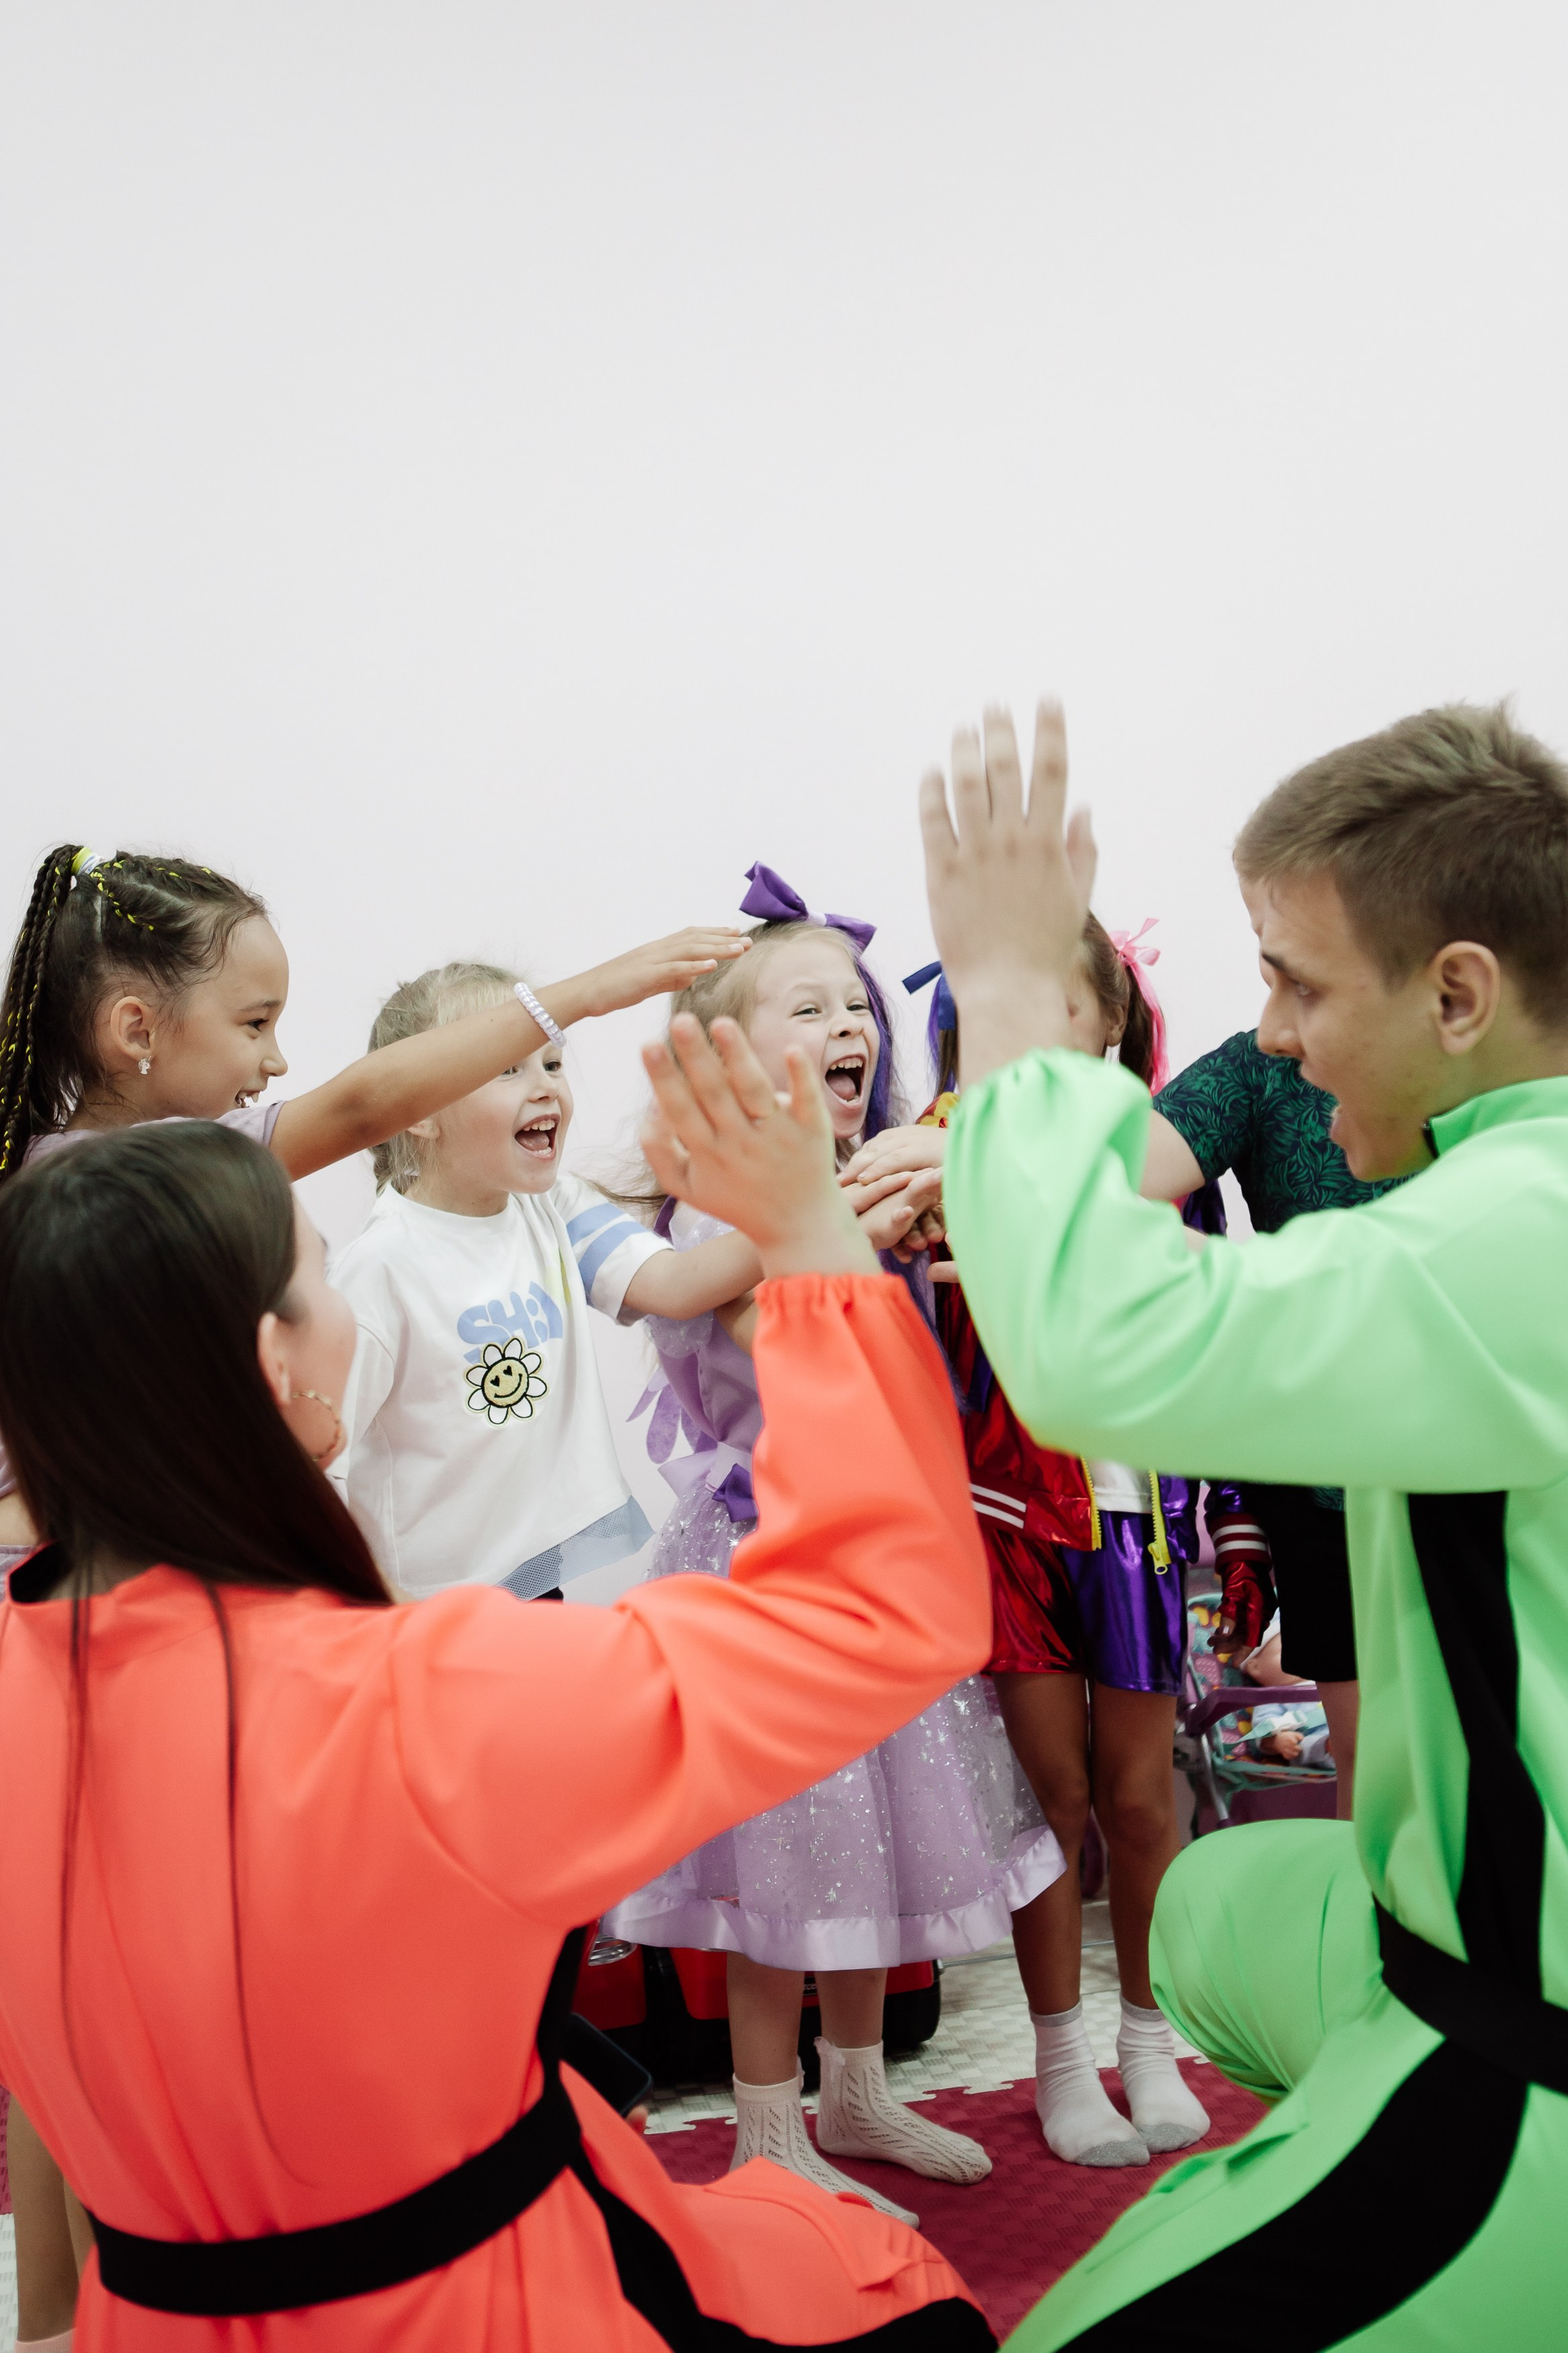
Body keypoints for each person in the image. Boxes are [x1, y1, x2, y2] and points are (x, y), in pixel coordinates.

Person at [0, 1027, 999, 2351]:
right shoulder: (422, 1704)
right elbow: (886, 1611)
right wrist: (813, 1242)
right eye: (317, 1273)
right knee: (886, 2283)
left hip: (157, 2315)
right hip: (488, 2306)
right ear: (276, 1363)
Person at [0, 842, 744, 2340]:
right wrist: (580, 992)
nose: (282, 1062)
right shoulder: (103, 1189)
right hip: (88, 1616)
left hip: (103, 1617)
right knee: (94, 2027)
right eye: (258, 1024)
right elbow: (356, 1107)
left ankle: (81, 2300)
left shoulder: (117, 1176)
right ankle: (80, 2294)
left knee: (80, 2011)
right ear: (138, 1033)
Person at [924, 696, 1568, 2348]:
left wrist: (1003, 992)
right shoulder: (1493, 1195)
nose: (1268, 1035)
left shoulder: (1513, 1226)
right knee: (1207, 1916)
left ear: (1459, 995)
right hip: (1442, 1933)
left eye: (1294, 980)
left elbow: (1084, 1351)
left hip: (1522, 2041)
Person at [604, 867, 1062, 2225]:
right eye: (805, 1005)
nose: (847, 1023)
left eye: (850, 1004)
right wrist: (843, 1238)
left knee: (879, 1840)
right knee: (786, 1857)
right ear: (727, 1055)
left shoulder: (861, 1190)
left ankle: (856, 2087)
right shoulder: (713, 1217)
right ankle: (764, 2123)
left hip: (871, 1568)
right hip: (762, 1574)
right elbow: (769, 1355)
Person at [851, 920, 1266, 2171]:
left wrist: (1237, 1529)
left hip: (1132, 1521)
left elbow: (1217, 1344)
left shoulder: (1167, 1167)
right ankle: (1058, 2058)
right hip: (1003, 1525)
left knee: (1143, 1801)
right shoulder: (927, 1162)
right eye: (997, 1018)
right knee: (1053, 1805)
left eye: (1058, 1011)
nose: (1030, 1040)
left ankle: (1148, 2042)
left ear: (1109, 1025)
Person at [332, 960, 765, 1601]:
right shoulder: (381, 1268)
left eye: (553, 1064)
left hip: (533, 1581)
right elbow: (312, 1460)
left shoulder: (555, 1204)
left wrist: (810, 1219)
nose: (545, 1089)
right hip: (425, 1604)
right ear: (417, 1111)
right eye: (508, 1068)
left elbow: (674, 1284)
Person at [1140, 1007, 1409, 1814]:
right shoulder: (1256, 1068)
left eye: (1296, 976)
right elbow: (1106, 1184)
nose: (1270, 1018)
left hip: (1478, 1475)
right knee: (1370, 1767)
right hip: (1321, 1465)